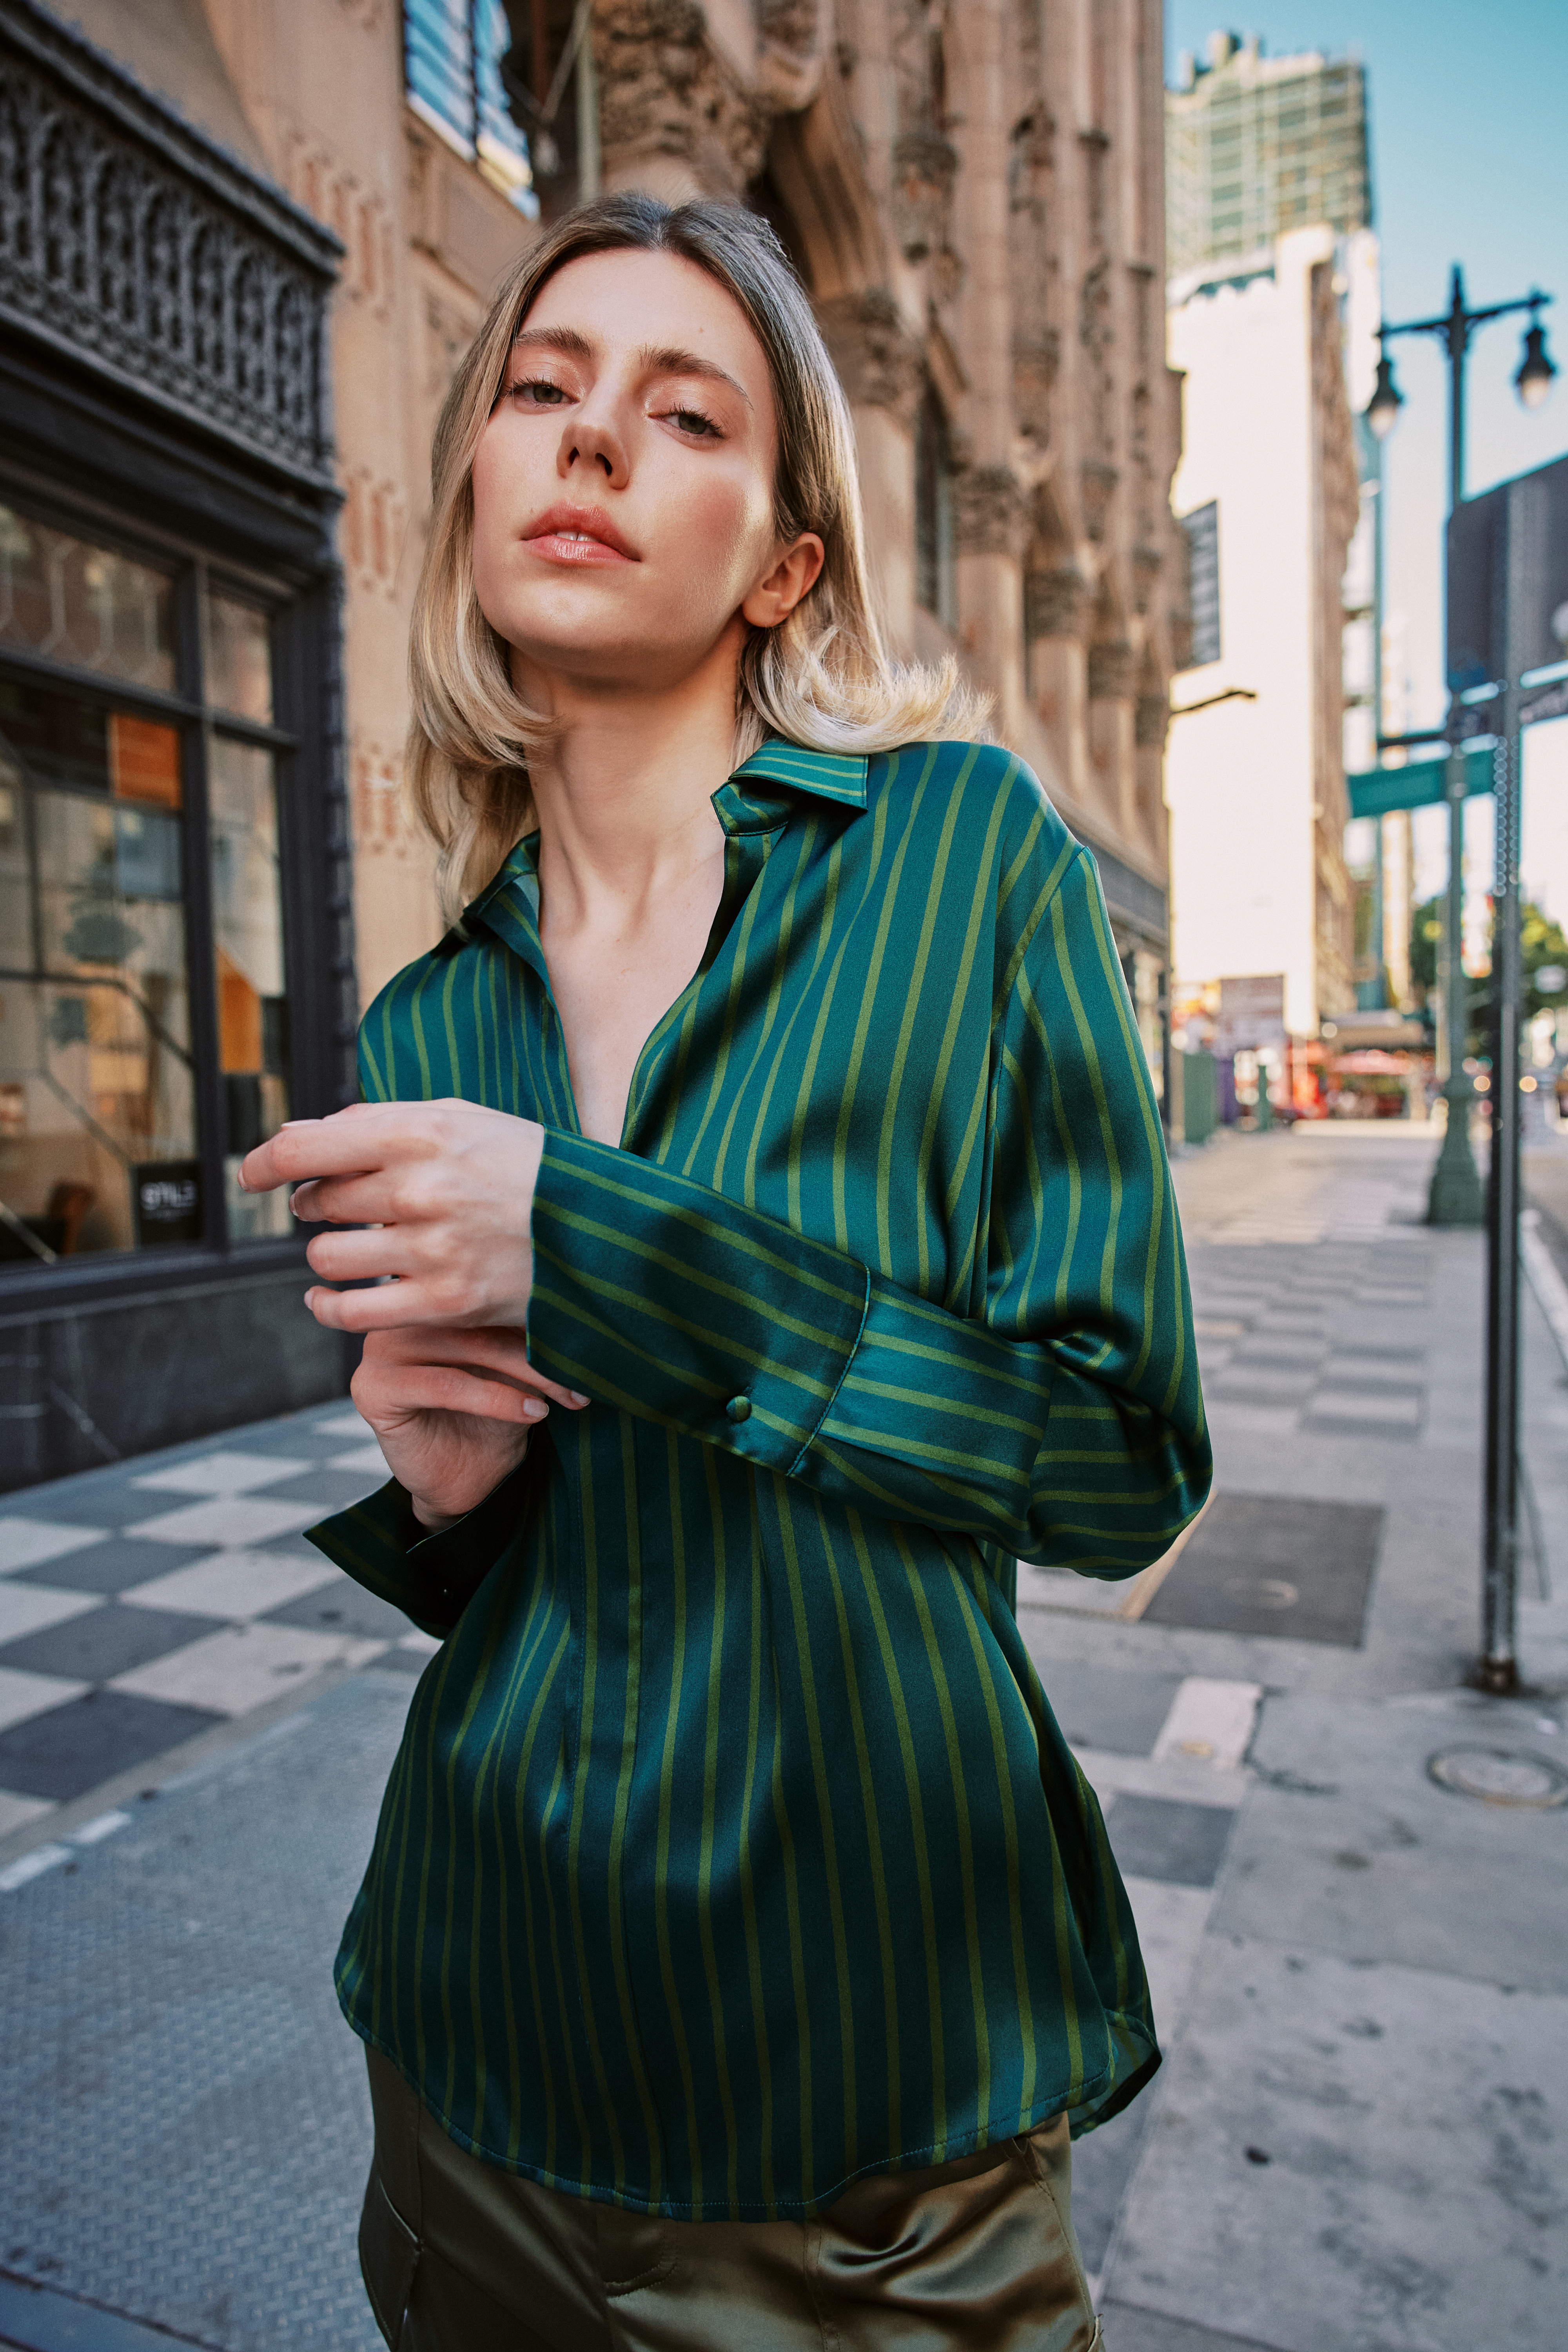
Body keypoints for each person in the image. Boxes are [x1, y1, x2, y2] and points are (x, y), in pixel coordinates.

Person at [240, 192, 1210, 2352]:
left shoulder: (963, 857)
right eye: (543, 387)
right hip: (477, 2052)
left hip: (876, 2096)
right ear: (478, 476)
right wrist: (448, 1502)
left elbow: (1121, 1463)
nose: (591, 438)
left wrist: (604, 1253)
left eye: (685, 413)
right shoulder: (428, 1021)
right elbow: (550, 1576)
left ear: (784, 562)